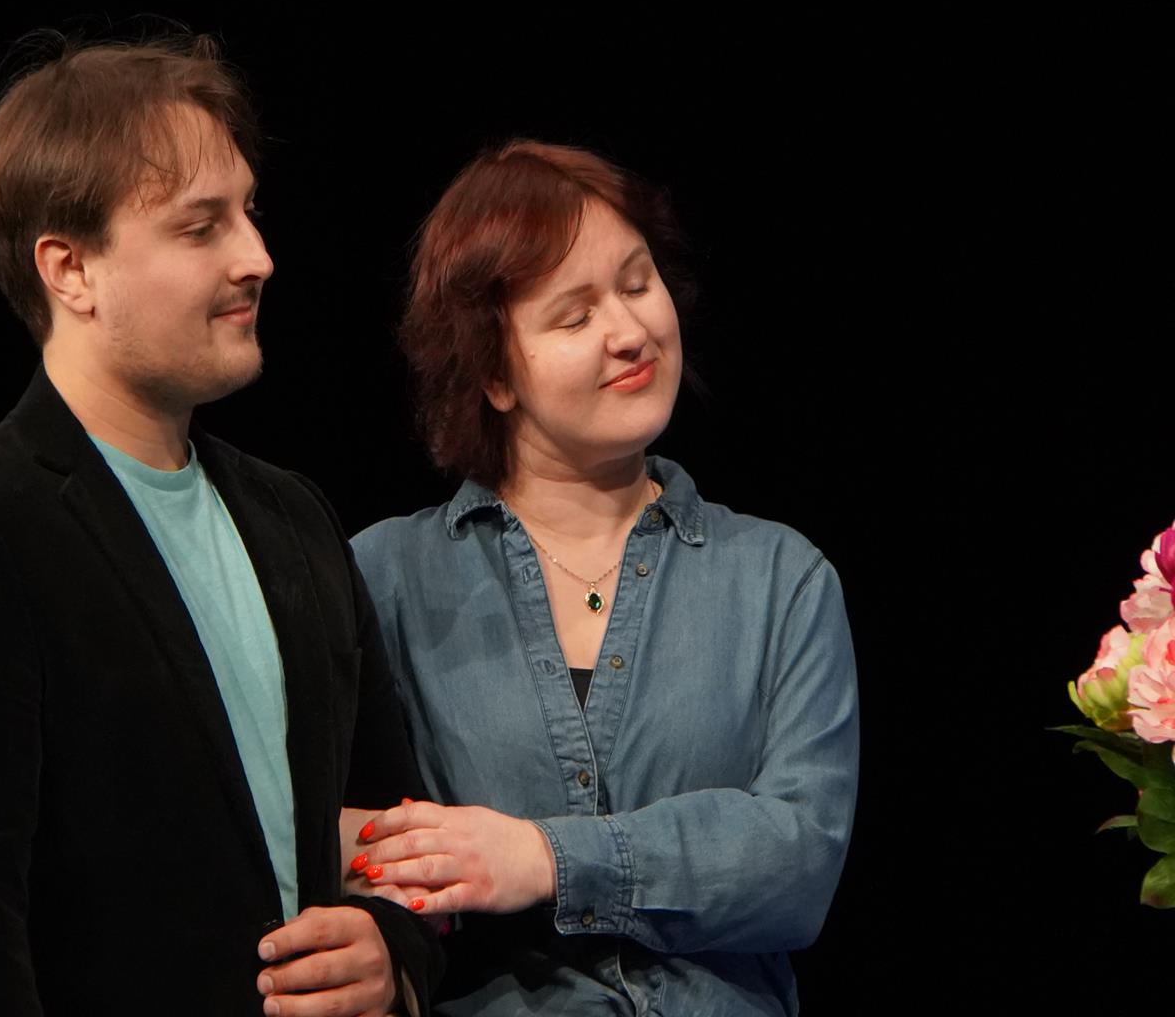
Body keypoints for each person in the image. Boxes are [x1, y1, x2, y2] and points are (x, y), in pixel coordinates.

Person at [0, 37, 440, 1016]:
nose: (257, 258)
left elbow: (394, 830)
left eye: (248, 213)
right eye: (201, 227)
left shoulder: (293, 518)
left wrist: (393, 949)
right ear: (70, 269)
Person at [345, 141, 859, 1014]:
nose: (629, 332)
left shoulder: (780, 578)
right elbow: (355, 844)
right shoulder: (386, 577)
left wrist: (545, 859)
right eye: (574, 316)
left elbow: (799, 860)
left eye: (636, 283)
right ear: (495, 374)